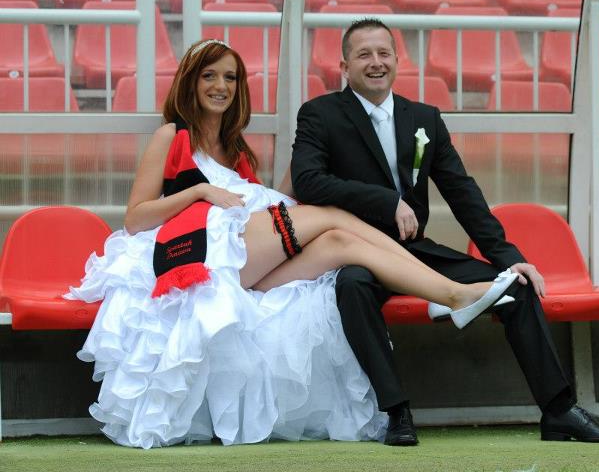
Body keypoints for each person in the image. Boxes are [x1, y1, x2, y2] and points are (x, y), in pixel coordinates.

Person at [67, 38, 520, 449]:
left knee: (339, 240)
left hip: (244, 264)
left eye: (230, 78)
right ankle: (450, 291)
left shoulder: (235, 148)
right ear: (190, 81)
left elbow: (266, 204)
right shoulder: (172, 135)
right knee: (333, 216)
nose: (221, 86)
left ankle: (450, 295)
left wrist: (300, 166)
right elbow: (135, 217)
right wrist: (200, 191)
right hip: (200, 255)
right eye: (209, 76)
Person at [291, 18, 599, 446]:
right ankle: (396, 413)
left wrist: (509, 258)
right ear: (344, 66)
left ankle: (559, 411)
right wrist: (386, 201)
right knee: (352, 287)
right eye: (363, 55)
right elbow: (308, 182)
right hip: (357, 252)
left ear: (397, 60)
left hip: (414, 251)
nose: (375, 62)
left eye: (383, 53)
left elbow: (462, 193)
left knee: (515, 286)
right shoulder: (320, 114)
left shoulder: (424, 119)